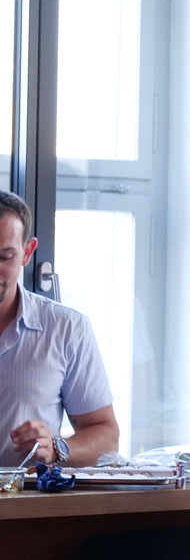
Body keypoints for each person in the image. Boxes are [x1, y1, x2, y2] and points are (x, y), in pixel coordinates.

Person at [0, 191, 119, 468]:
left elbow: (107, 437)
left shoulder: (67, 329)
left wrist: (56, 447)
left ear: (27, 253)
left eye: (4, 257)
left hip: (27, 496)